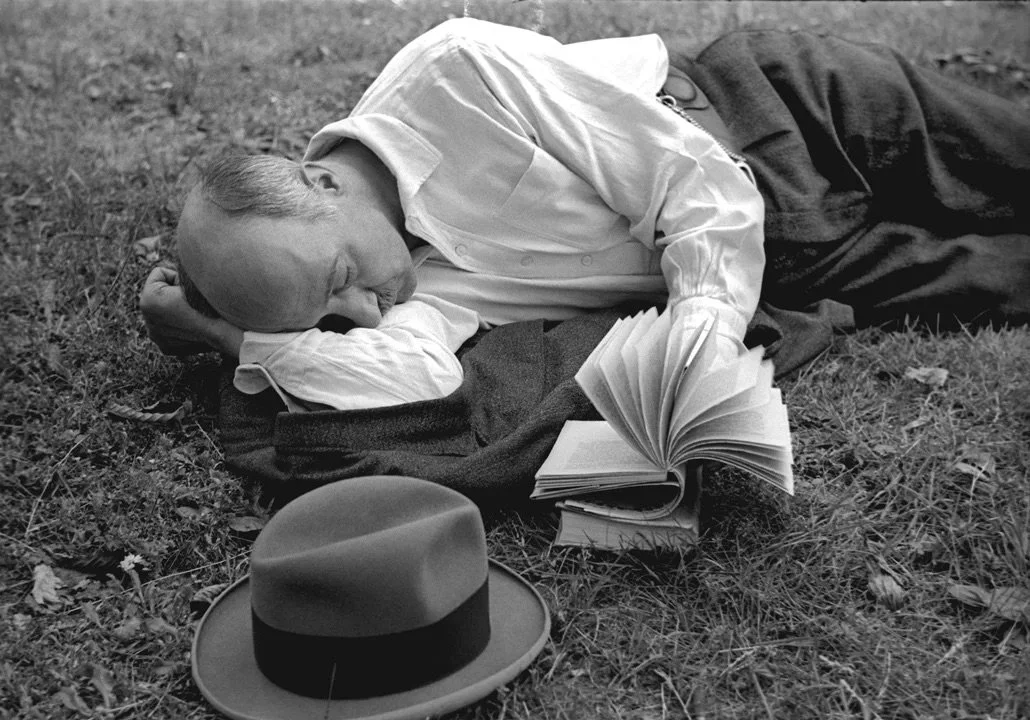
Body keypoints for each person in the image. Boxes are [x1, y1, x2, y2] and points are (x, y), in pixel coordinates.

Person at [139, 18, 1029, 498]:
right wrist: (228, 338)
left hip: (774, 113)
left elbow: (696, 184)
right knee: (999, 289)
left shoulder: (459, 72)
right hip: (791, 261)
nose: (368, 312)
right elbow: (396, 377)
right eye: (334, 321)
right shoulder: (407, 289)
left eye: (341, 286)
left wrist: (701, 343)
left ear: (317, 182)